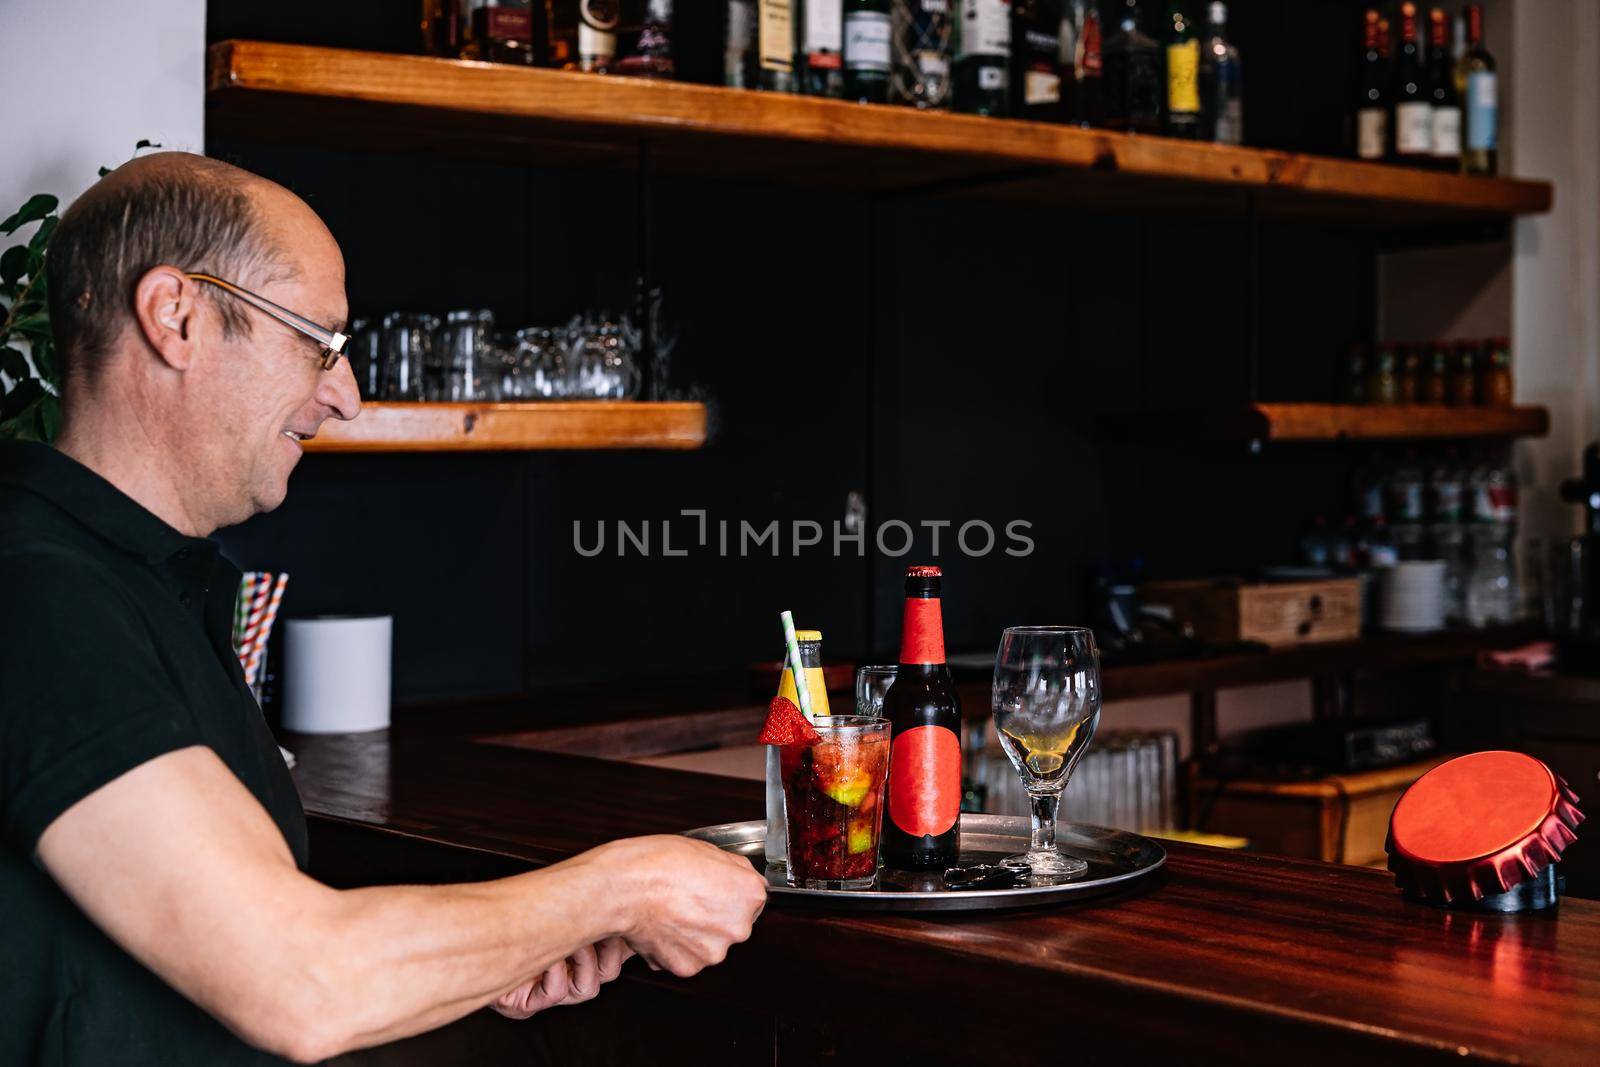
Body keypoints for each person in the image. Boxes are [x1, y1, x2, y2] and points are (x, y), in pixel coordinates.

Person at [0, 152, 768, 1065]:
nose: (347, 394)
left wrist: (483, 954)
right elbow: (299, 977)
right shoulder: (36, 589)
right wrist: (623, 886)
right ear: (178, 316)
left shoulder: (140, 579)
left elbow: (229, 940)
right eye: (315, 339)